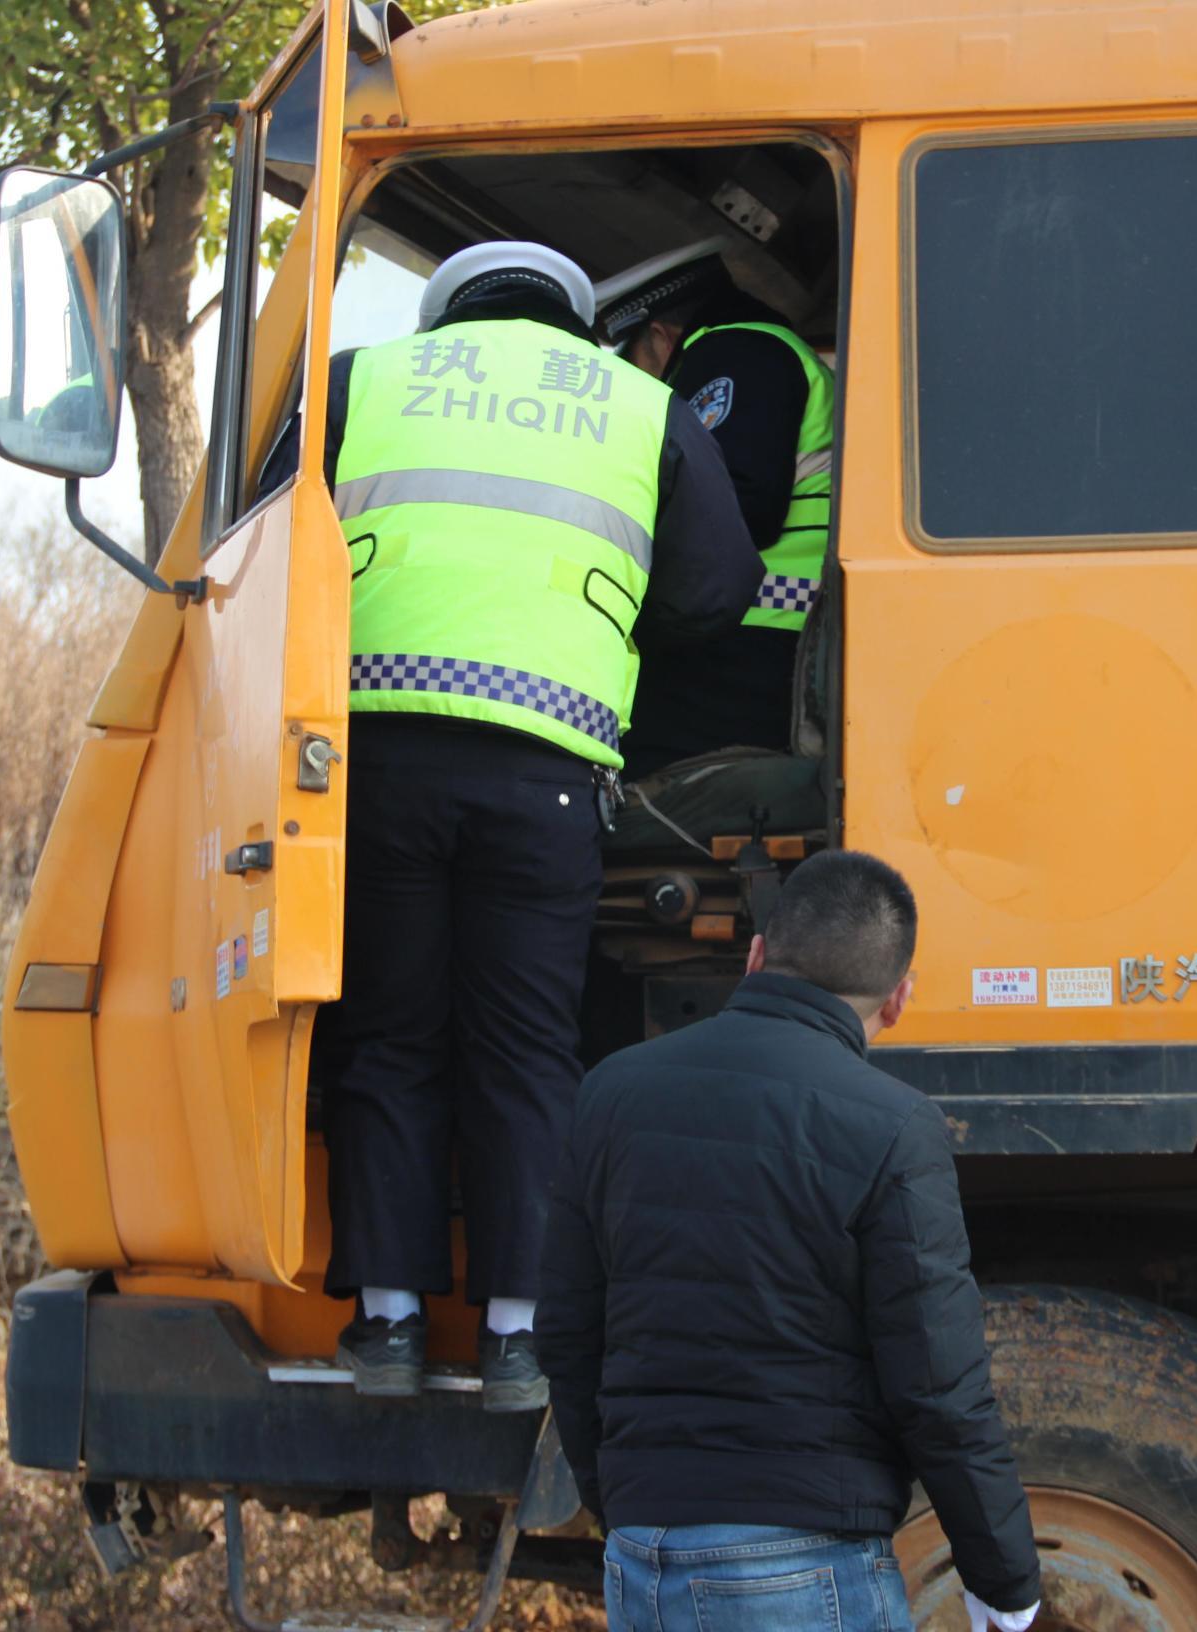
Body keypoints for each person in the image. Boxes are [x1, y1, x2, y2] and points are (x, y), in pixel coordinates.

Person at [318, 241, 759, 1410]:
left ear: (443, 315)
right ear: (572, 318)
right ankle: (517, 1334)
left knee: (390, 1040)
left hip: (379, 760)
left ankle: (391, 1324)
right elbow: (716, 589)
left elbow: (267, 550)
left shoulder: (365, 384)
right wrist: (600, 618)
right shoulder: (638, 403)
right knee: (525, 1048)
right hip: (547, 771)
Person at [538, 851, 1044, 1631]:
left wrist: (624, 1503)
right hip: (801, 1557)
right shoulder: (895, 1127)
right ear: (898, 999)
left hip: (642, 1552)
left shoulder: (610, 1090)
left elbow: (569, 1332)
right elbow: (937, 1388)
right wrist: (1004, 1583)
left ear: (756, 956)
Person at [595, 240, 836, 780]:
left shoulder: (736, 352)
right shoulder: (773, 353)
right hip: (767, 646)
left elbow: (736, 502)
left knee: (639, 786)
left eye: (630, 359)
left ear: (658, 336)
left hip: (741, 650)